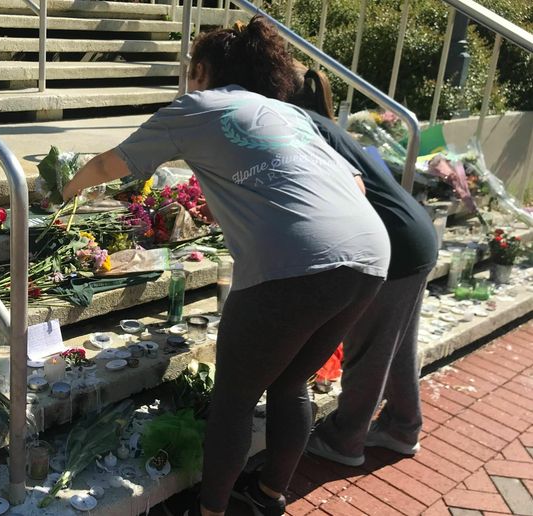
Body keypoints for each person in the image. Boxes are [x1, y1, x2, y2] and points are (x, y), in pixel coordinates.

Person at [60, 17, 390, 516]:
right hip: (369, 255)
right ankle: (269, 496)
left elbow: (111, 165)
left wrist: (60, 191)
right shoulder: (286, 112)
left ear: (201, 69)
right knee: (290, 382)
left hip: (294, 265)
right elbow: (354, 187)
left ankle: (210, 511)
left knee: (235, 397)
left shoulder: (197, 105)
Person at [292, 68, 440, 466]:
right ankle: (401, 428)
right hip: (416, 233)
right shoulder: (322, 122)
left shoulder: (297, 127)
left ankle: (345, 440)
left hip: (392, 245)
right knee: (397, 345)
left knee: (369, 350)